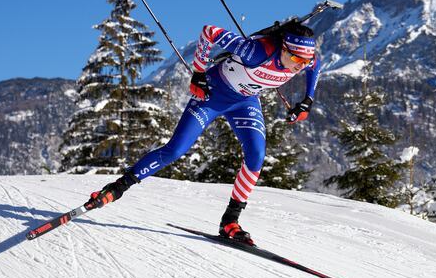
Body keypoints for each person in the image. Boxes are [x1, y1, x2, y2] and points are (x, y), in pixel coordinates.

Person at [87, 21, 321, 245]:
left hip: (245, 102)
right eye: (295, 58)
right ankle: (116, 188)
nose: (300, 65)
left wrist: (307, 100)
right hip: (212, 97)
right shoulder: (255, 52)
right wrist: (198, 73)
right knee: (176, 150)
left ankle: (230, 222)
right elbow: (210, 31)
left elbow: (315, 65)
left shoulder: (304, 60)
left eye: (304, 60)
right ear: (283, 48)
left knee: (256, 156)